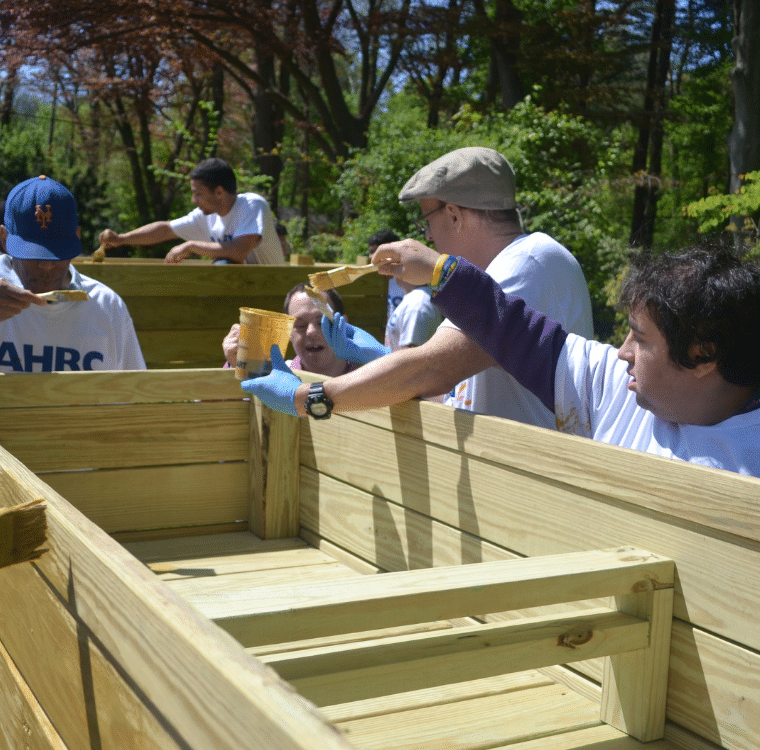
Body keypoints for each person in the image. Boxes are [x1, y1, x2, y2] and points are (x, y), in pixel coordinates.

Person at [244, 146, 593, 428]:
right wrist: (381, 359)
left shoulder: (527, 262)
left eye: (428, 222)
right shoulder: (493, 277)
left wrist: (308, 398)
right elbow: (450, 388)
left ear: (454, 215)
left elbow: (432, 370)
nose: (428, 236)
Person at [0, 176, 146, 372]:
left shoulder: (106, 306)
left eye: (57, 253)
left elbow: (134, 392)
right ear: (4, 239)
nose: (46, 266)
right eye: (31, 254)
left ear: (77, 237)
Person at [98, 158, 285, 266]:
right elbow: (164, 230)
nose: (193, 201)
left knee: (223, 265)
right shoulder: (206, 215)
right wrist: (121, 239)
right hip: (248, 295)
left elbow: (237, 251)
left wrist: (190, 246)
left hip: (274, 295)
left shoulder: (251, 205)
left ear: (219, 192)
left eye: (198, 194)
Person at [223, 283, 355, 377]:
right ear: (289, 333)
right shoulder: (270, 378)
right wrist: (235, 367)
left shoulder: (372, 376)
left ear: (344, 325)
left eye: (321, 322)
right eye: (300, 325)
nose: (310, 332)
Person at [368, 229, 403, 321]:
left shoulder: (407, 283)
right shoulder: (368, 284)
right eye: (371, 252)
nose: (371, 257)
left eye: (376, 251)